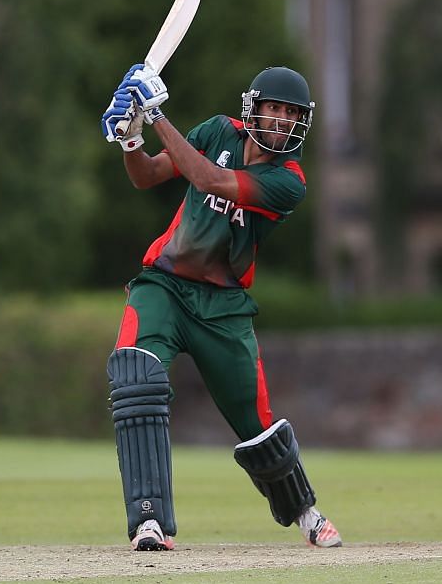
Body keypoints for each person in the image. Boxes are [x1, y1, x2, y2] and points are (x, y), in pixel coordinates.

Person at [97, 64, 342, 551]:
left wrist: (155, 114)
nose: (281, 122)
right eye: (274, 110)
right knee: (135, 377)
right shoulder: (217, 130)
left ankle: (306, 513)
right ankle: (150, 522)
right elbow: (149, 175)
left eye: (292, 114)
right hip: (163, 287)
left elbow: (209, 180)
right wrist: (129, 138)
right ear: (254, 108)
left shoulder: (288, 181)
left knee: (258, 428)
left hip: (223, 308)